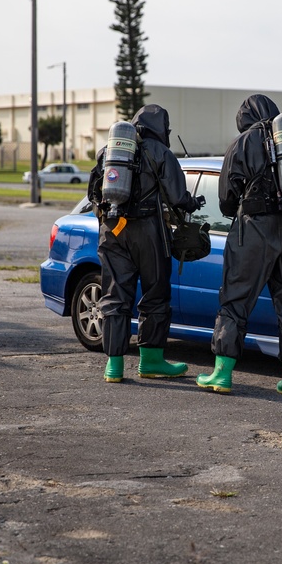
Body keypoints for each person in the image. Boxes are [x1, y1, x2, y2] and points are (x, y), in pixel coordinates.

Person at [197, 94, 282, 397]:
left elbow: (226, 197)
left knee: (235, 300)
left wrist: (236, 209)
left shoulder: (242, 143)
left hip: (252, 231)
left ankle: (221, 375)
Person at [87, 104, 202, 383]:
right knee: (155, 294)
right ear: (162, 127)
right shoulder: (160, 152)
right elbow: (177, 196)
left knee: (114, 295)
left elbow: (93, 191)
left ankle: (113, 367)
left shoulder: (108, 151)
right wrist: (193, 202)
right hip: (149, 230)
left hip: (112, 230)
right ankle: (151, 361)